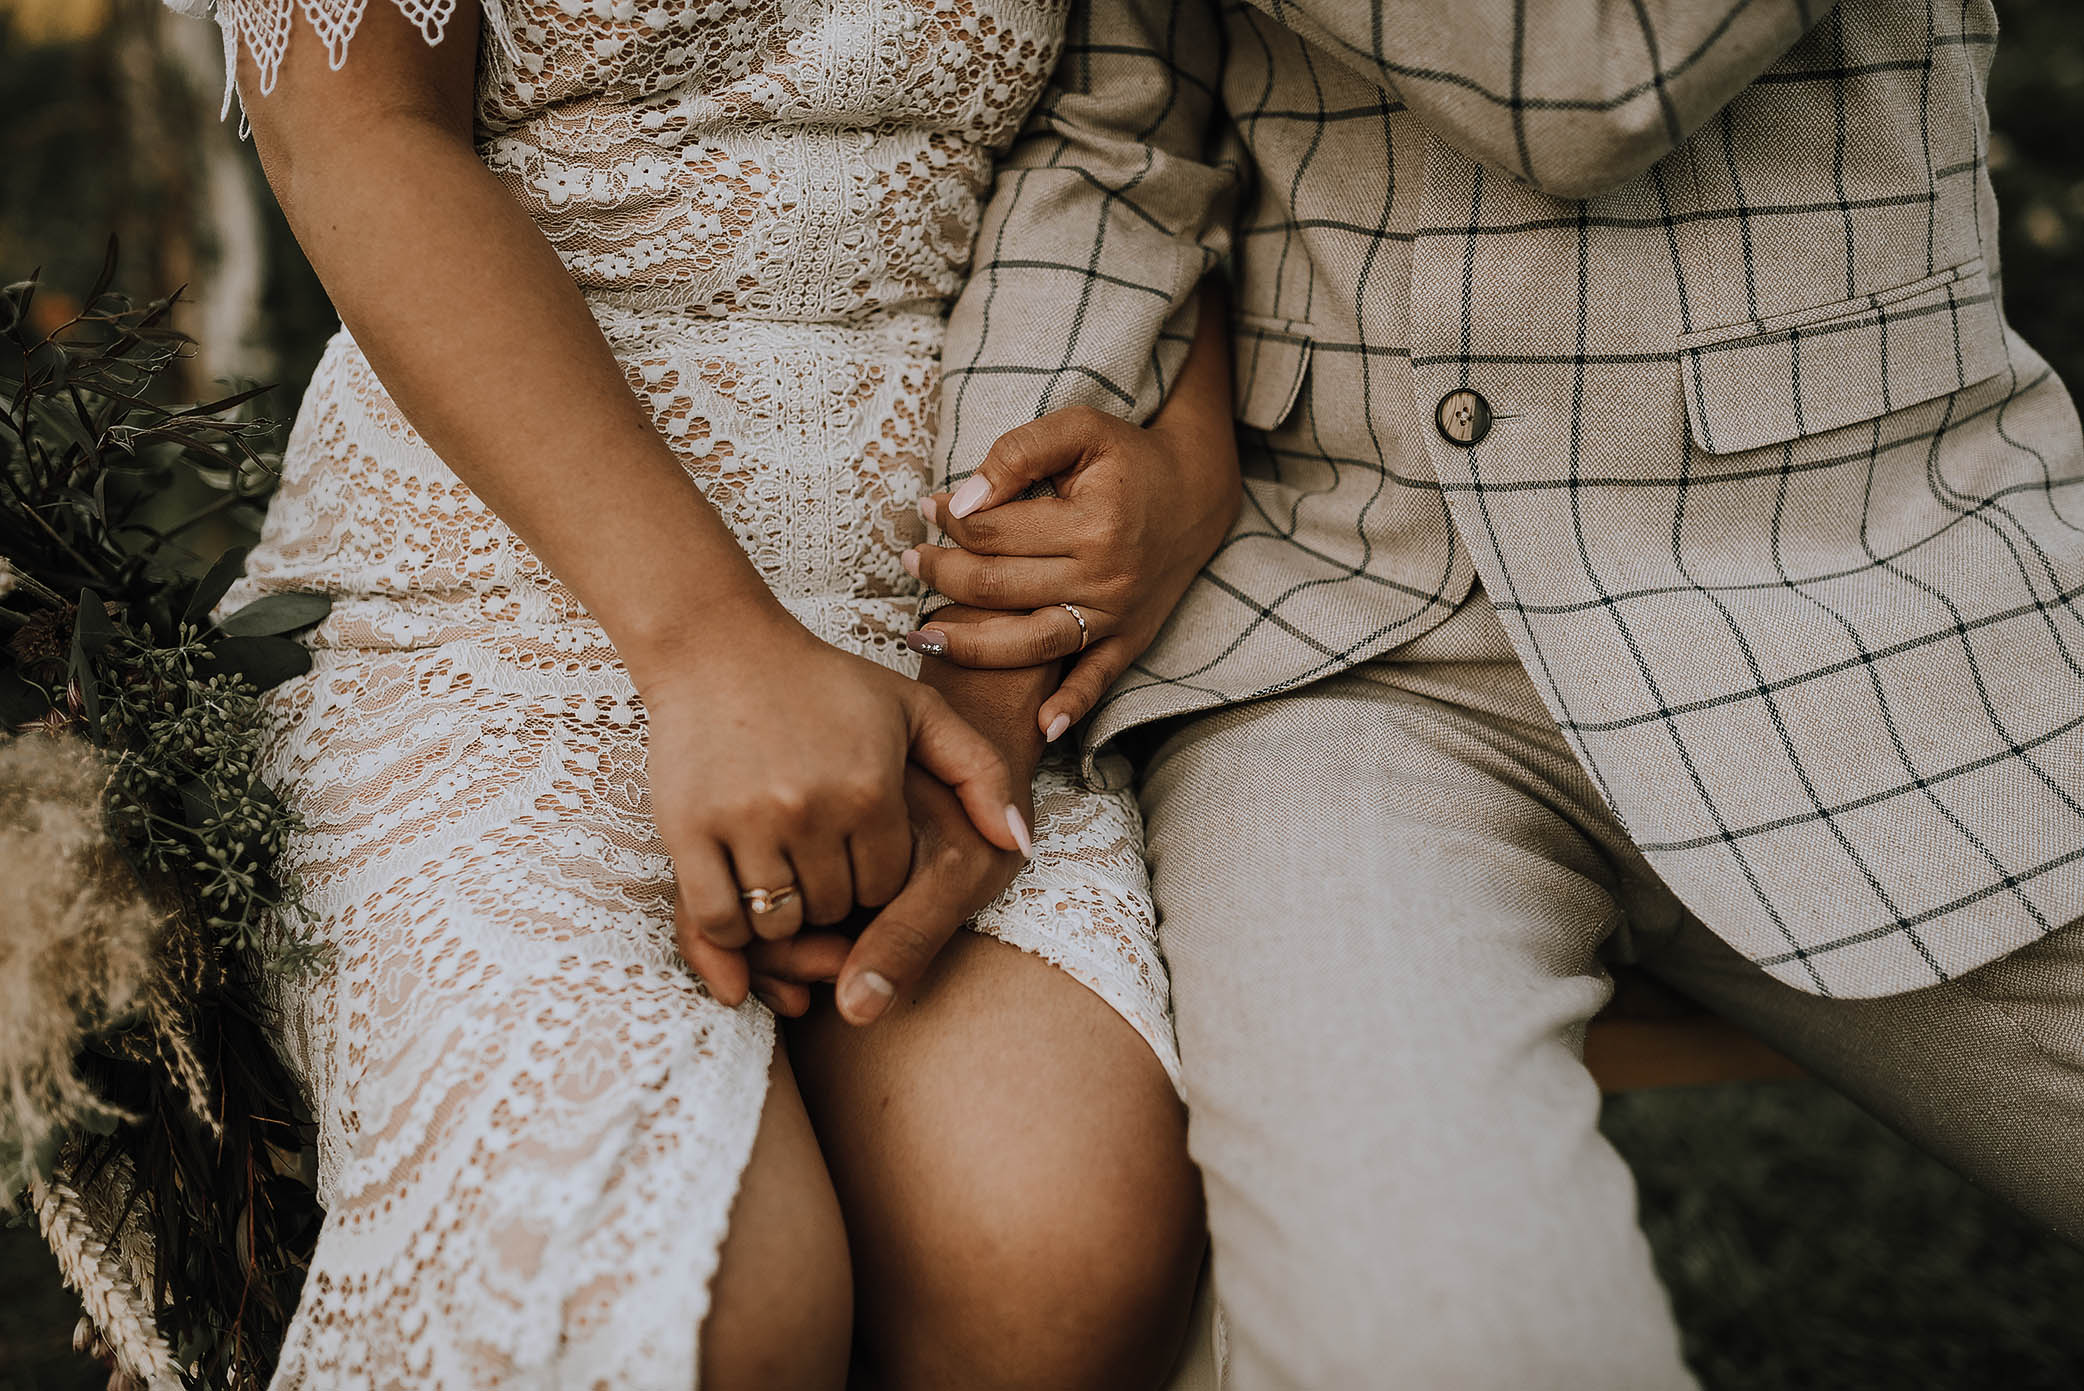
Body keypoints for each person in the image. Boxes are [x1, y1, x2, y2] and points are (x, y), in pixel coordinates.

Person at [917, 1, 2084, 1386]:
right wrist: (987, 629)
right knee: (1433, 1332)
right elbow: (1115, 147)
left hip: (1884, 598)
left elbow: (1591, 70)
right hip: (1346, 652)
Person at [161, 1, 1222, 1386]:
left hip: (949, 625)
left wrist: (1186, 472)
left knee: (1059, 1263)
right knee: (698, 1306)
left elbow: (1164, 132)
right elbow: (353, 139)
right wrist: (715, 647)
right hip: (490, 604)